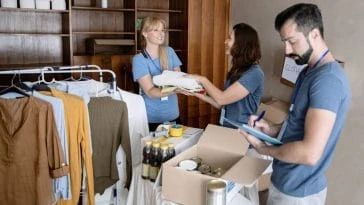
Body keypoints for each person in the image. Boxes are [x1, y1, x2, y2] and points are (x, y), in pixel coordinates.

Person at [241, 3, 351, 205]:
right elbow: (297, 125)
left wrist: (262, 148)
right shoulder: (307, 72)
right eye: (284, 42)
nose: (287, 49)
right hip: (283, 181)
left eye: (292, 41)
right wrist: (271, 129)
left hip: (299, 193)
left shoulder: (328, 81)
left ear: (315, 35)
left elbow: (310, 153)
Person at [187, 23, 264, 127]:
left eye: (229, 38)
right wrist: (193, 92)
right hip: (226, 126)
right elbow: (221, 104)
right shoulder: (237, 70)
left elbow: (221, 98)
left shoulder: (254, 74)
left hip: (241, 131)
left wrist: (203, 79)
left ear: (241, 44)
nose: (225, 42)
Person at [132, 16, 182, 131]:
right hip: (152, 119)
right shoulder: (139, 60)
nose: (161, 34)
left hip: (173, 115)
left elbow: (179, 79)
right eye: (156, 30)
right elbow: (150, 92)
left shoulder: (170, 52)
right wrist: (175, 89)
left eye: (162, 30)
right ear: (145, 33)